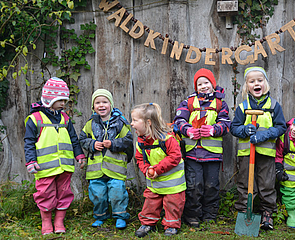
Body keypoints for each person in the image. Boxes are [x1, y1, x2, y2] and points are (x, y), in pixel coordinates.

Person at [24, 77, 86, 235]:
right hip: (44, 168)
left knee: (64, 193)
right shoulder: (35, 119)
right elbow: (29, 142)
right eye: (60, 100)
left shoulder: (65, 118)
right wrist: (31, 161)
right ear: (49, 99)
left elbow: (73, 139)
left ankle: (59, 221)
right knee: (45, 194)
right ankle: (46, 222)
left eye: (65, 100)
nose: (63, 104)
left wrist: (79, 156)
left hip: (64, 167)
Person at [230, 66, 286, 230]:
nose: (256, 83)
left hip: (266, 154)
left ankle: (267, 214)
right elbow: (234, 128)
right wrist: (244, 130)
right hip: (247, 154)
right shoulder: (243, 107)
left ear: (266, 83)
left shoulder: (274, 106)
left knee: (267, 184)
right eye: (252, 81)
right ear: (246, 86)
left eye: (260, 80)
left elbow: (281, 127)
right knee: (245, 184)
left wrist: (266, 134)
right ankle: (244, 212)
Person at [173, 68, 231, 228]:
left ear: (213, 84)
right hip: (193, 154)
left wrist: (213, 129)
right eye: (200, 84)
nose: (203, 86)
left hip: (213, 155)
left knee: (211, 186)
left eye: (206, 82)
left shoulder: (220, 104)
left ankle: (210, 215)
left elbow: (226, 124)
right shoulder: (188, 103)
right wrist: (188, 130)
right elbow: (178, 121)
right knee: (194, 185)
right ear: (195, 87)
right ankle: (192, 216)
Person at [79, 89, 133, 229]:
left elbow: (128, 140)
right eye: (97, 102)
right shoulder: (90, 123)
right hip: (95, 169)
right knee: (97, 193)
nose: (101, 105)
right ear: (93, 106)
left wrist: (113, 144)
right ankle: (100, 216)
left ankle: (120, 216)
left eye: (105, 102)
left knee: (117, 192)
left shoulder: (120, 122)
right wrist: (92, 144)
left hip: (115, 168)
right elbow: (82, 139)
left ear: (111, 104)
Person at [132, 103, 186, 237]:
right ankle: (147, 224)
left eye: (134, 120)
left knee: (173, 205)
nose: (132, 124)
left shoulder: (167, 139)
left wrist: (156, 169)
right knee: (150, 203)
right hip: (154, 183)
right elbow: (140, 158)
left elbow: (175, 157)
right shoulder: (141, 141)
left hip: (173, 184)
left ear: (148, 122)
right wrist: (146, 170)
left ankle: (171, 225)